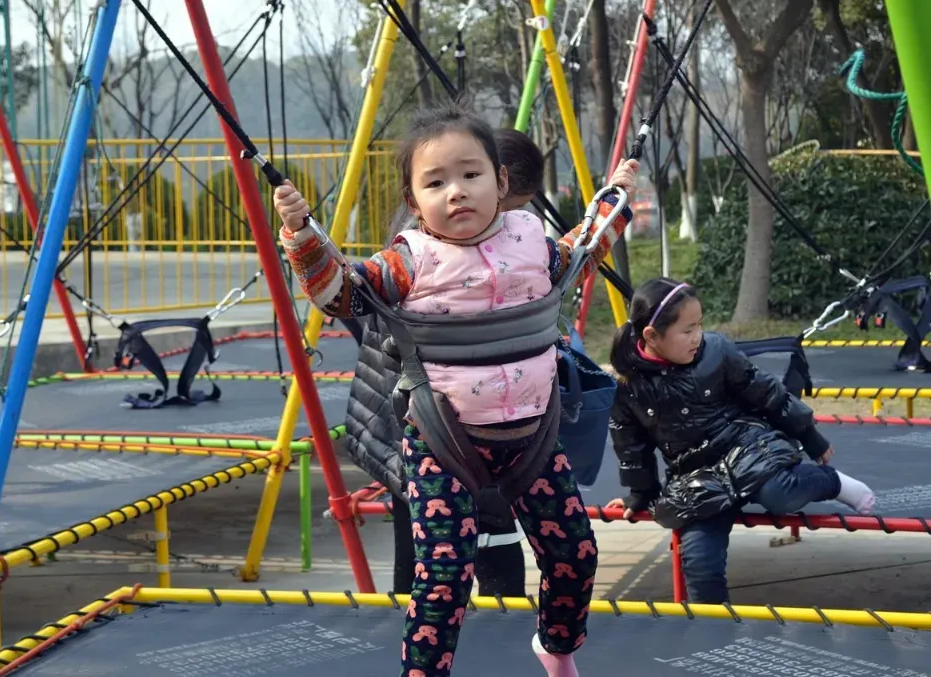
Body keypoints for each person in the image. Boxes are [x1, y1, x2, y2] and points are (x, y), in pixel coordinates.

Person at [275, 103, 639, 677]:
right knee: (444, 575)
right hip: (443, 441)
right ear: (414, 201)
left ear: (501, 182)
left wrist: (616, 200)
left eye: (471, 175)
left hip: (532, 436)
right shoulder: (408, 261)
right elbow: (340, 293)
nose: (457, 193)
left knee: (575, 554)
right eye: (436, 182)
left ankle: (557, 644)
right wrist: (302, 235)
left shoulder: (532, 243)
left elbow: (583, 251)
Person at [339, 127, 547, 600]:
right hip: (430, 416)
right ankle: (481, 625)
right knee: (447, 551)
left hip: (413, 413)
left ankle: (456, 625)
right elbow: (348, 295)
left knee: (424, 548)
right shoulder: (430, 250)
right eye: (514, 210)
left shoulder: (442, 226)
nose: (510, 229)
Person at [605, 277, 876, 605]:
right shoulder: (630, 386)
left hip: (746, 447)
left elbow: (766, 392)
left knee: (779, 493)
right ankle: (714, 629)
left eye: (699, 325)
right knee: (700, 563)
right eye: (687, 330)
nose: (697, 337)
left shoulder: (716, 352)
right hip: (696, 475)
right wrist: (640, 494)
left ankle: (832, 483)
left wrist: (808, 434)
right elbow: (630, 445)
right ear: (652, 336)